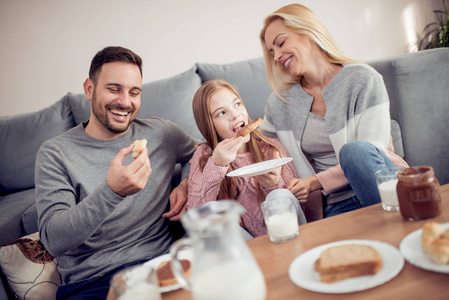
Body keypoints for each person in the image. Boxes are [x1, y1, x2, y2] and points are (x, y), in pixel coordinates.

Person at [35, 46, 196, 299]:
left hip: (161, 266)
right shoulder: (55, 153)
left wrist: (185, 183)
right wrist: (111, 192)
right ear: (89, 89)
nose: (125, 102)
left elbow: (199, 153)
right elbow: (53, 240)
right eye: (113, 89)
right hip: (94, 283)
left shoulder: (161, 133)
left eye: (134, 92)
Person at [258, 4, 409, 218]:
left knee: (354, 151)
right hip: (337, 204)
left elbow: (372, 151)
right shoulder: (280, 102)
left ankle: (401, 225)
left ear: (308, 32)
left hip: (385, 184)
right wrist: (213, 149)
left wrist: (314, 182)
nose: (276, 57)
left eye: (281, 43)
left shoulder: (363, 79)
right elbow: (258, 145)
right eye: (271, 52)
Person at [187, 79, 302, 238]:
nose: (235, 114)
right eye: (221, 113)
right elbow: (196, 217)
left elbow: (295, 201)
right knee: (217, 218)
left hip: (283, 232)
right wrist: (216, 165)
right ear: (209, 125)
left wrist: (273, 186)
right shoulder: (204, 157)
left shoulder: (270, 147)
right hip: (243, 245)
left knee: (280, 196)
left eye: (237, 104)